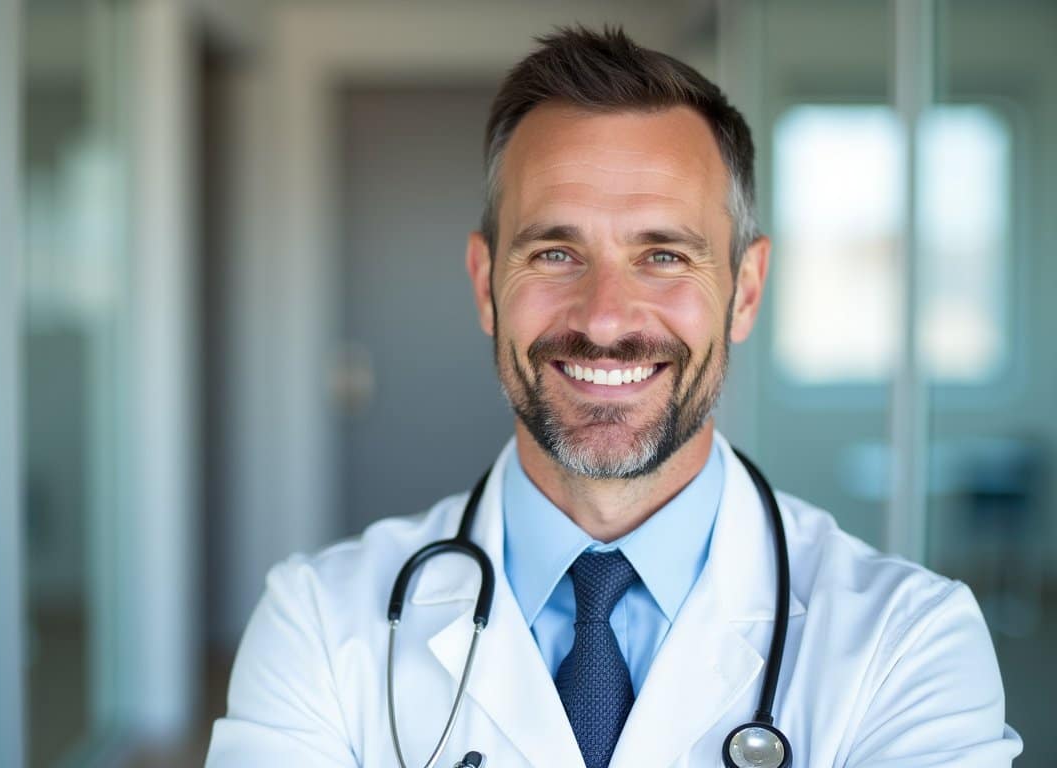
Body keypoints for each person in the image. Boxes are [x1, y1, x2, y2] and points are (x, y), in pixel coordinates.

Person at [206, 26, 1021, 768]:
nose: (603, 320)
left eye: (664, 256)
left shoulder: (907, 641)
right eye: (556, 253)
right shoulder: (319, 623)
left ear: (743, 291)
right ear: (487, 284)